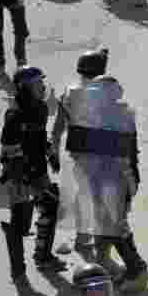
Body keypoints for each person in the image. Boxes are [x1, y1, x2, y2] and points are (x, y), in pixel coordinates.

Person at [58, 73, 148, 290]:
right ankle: (105, 261)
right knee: (103, 223)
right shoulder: (110, 114)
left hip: (115, 180)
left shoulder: (118, 117)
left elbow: (86, 148)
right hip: (106, 179)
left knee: (116, 227)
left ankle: (137, 271)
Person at [0, 66, 67, 284]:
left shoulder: (40, 108)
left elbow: (40, 136)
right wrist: (21, 172)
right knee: (19, 222)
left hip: (37, 169)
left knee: (50, 207)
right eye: (38, 83)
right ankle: (18, 272)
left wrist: (50, 153)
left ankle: (43, 256)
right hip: (18, 174)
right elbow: (8, 148)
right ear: (25, 87)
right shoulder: (14, 114)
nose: (42, 86)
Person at [50, 48, 108, 253]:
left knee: (81, 193)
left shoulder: (69, 90)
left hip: (75, 150)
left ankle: (82, 236)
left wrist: (53, 151)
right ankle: (88, 238)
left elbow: (58, 126)